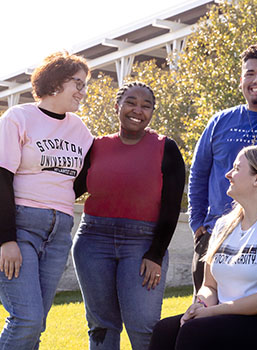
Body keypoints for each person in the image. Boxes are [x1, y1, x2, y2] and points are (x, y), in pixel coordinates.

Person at [149, 145, 257, 350]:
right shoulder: (223, 225)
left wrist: (212, 312)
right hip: (233, 318)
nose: (228, 174)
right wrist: (201, 305)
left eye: (237, 168)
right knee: (165, 330)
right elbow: (209, 286)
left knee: (196, 332)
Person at [0, 51, 93, 350]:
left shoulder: (79, 129)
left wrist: (62, 195)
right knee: (25, 318)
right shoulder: (18, 118)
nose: (82, 92)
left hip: (57, 234)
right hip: (17, 226)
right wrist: (7, 239)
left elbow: (84, 177)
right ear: (56, 81)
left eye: (84, 85)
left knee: (36, 322)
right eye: (78, 84)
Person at [72, 81, 186, 350]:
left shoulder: (166, 149)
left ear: (152, 114)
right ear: (117, 107)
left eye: (146, 106)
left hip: (143, 244)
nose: (138, 110)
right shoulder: (95, 147)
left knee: (143, 326)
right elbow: (68, 189)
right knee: (101, 325)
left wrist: (156, 254)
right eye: (131, 103)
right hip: (92, 241)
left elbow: (171, 208)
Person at [188, 43, 257, 294]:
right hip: (216, 233)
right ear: (241, 80)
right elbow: (198, 174)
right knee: (206, 313)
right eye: (250, 73)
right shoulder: (220, 122)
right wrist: (198, 224)